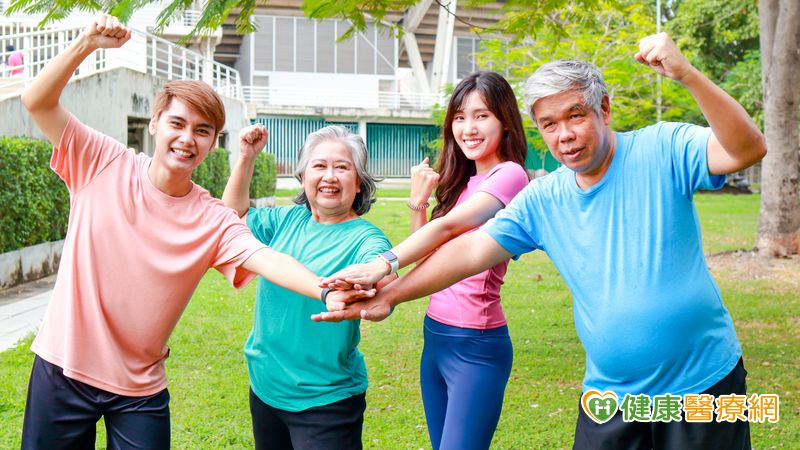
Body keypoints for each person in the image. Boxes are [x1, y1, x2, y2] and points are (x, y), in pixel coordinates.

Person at [317, 33, 766, 450]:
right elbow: (469, 249)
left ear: (604, 109)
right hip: (610, 397)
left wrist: (686, 73)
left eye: (576, 116)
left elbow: (746, 149)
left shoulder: (664, 147)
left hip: (702, 383)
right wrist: (390, 292)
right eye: (549, 124)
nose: (564, 135)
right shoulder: (544, 199)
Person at [19, 15, 368, 449]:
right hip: (62, 368)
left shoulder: (212, 217)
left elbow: (265, 258)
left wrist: (324, 289)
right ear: (154, 124)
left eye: (202, 131)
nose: (188, 138)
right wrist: (85, 44)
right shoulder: (102, 162)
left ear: (211, 142)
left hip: (140, 389)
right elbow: (36, 101)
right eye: (177, 124)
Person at [321, 71, 529, 450]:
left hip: (476, 343)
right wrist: (419, 203)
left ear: (505, 121)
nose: (468, 127)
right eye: (460, 117)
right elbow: (431, 261)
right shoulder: (466, 183)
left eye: (482, 115)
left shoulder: (510, 176)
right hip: (436, 336)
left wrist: (382, 264)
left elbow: (450, 230)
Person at [221, 124, 394, 450]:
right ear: (303, 177)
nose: (329, 176)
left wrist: (376, 280)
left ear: (358, 183)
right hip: (265, 387)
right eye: (319, 166)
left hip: (326, 400)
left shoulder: (366, 238)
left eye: (342, 167)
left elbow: (382, 276)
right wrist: (246, 157)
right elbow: (230, 219)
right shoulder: (286, 220)